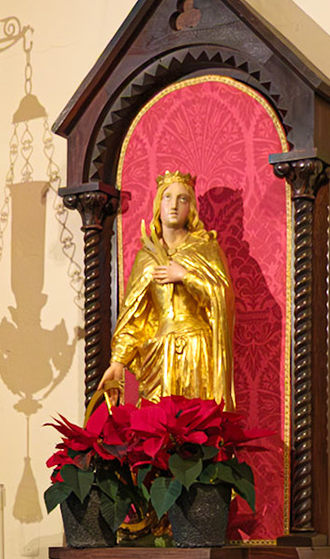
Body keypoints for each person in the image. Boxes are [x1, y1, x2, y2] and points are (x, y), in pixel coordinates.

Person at [95, 169, 235, 407]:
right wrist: (117, 360)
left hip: (197, 349)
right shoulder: (146, 257)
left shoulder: (205, 249)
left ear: (191, 208)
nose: (174, 205)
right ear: (158, 205)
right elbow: (134, 316)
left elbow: (222, 295)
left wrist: (186, 276)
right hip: (159, 352)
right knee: (156, 420)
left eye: (183, 199)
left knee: (196, 419)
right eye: (167, 197)